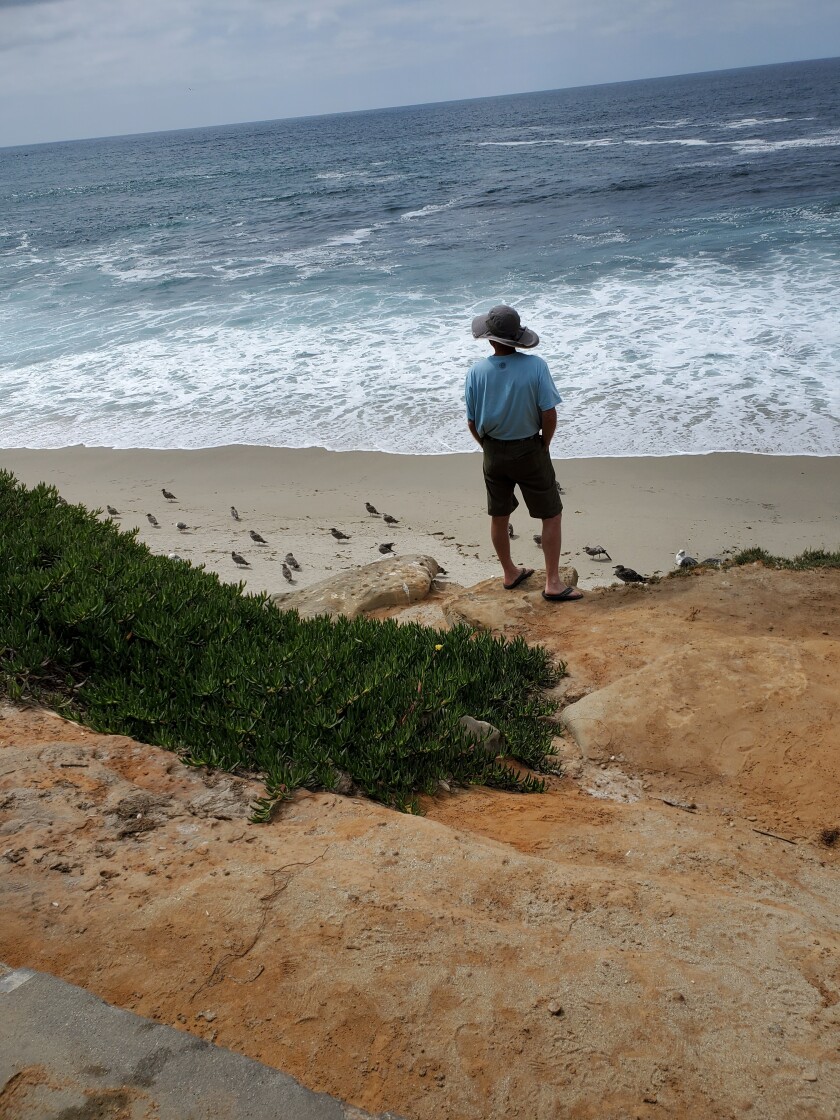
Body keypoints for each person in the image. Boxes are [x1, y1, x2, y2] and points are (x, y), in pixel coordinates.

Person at [465, 304, 583, 602]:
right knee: (551, 514)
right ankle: (553, 583)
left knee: (499, 515)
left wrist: (487, 447)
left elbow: (471, 420)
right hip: (529, 448)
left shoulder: (476, 371)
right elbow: (549, 412)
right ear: (516, 337)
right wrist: (545, 443)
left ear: (490, 339)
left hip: (492, 450)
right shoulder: (535, 366)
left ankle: (509, 572)